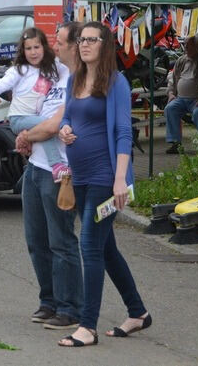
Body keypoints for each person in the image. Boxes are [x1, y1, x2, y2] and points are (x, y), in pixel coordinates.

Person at [57, 21, 149, 348]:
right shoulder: (75, 79)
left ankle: (87, 326)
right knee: (106, 248)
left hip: (105, 178)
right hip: (79, 176)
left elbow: (124, 132)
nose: (84, 45)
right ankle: (137, 313)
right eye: (81, 40)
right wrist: (65, 130)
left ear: (105, 44)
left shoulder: (116, 82)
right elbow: (68, 116)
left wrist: (120, 180)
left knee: (90, 246)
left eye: (92, 40)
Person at [12, 21, 83, 332]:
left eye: (61, 41)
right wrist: (27, 135)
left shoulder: (80, 80)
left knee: (61, 240)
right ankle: (49, 300)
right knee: (36, 241)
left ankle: (70, 307)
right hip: (36, 167)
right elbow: (38, 110)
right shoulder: (54, 76)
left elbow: (55, 124)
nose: (55, 45)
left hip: (61, 172)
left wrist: (27, 135)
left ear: (75, 46)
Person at [0, 27, 69, 180]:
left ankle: (32, 168)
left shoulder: (50, 68)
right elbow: (1, 84)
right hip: (19, 118)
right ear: (23, 51)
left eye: (36, 47)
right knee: (48, 125)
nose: (33, 52)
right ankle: (56, 165)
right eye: (28, 48)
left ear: (44, 47)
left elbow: (68, 67)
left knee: (45, 129)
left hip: (31, 118)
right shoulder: (19, 70)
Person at [165, 33, 198, 153]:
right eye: (185, 45)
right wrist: (171, 93)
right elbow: (173, 77)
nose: (185, 48)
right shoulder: (181, 60)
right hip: (181, 99)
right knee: (170, 108)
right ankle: (176, 144)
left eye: (188, 45)